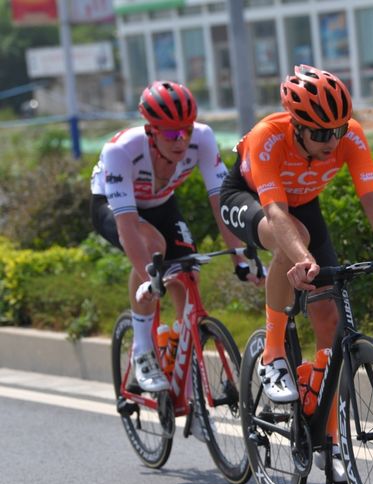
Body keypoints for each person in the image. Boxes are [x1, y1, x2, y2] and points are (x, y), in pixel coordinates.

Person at [219, 65, 373, 477]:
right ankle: (273, 353)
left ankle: (326, 436)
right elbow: (277, 212)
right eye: (319, 134)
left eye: (337, 131)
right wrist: (301, 258)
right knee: (292, 237)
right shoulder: (268, 137)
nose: (331, 141)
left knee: (330, 322)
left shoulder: (348, 135)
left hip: (303, 205)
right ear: (296, 126)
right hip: (250, 201)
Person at [91, 80, 256, 393]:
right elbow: (127, 226)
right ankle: (142, 351)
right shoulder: (121, 151)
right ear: (151, 131)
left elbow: (223, 204)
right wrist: (148, 279)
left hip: (162, 203)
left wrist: (241, 257)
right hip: (113, 207)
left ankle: (181, 348)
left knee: (187, 269)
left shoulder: (203, 139)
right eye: (170, 133)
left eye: (187, 130)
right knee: (153, 249)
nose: (181, 140)